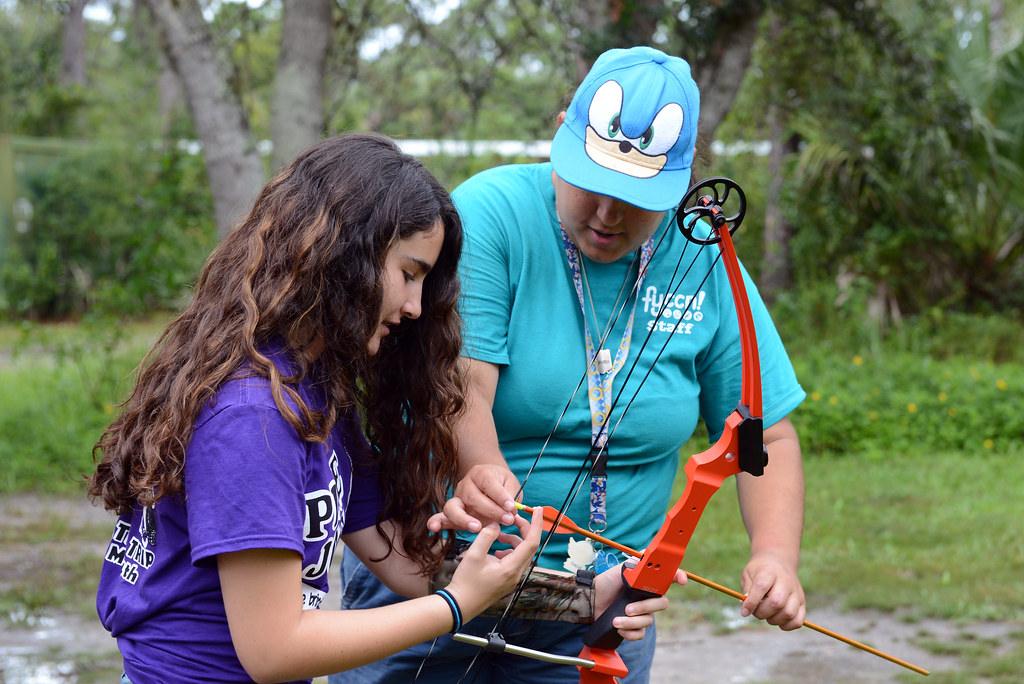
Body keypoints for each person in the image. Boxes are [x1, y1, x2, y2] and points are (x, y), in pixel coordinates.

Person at [330, 47, 808, 683]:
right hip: (433, 579)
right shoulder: (493, 214)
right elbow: (458, 383)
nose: (609, 215)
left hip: (602, 607)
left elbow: (761, 433)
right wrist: (486, 473)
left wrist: (773, 555)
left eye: (637, 196)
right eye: (596, 185)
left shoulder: (705, 261)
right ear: (562, 131)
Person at [88, 133, 559, 683]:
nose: (414, 306)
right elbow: (274, 650)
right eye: (408, 274)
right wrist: (454, 606)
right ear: (344, 255)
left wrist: (587, 596)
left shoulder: (312, 394)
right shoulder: (253, 417)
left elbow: (405, 564)